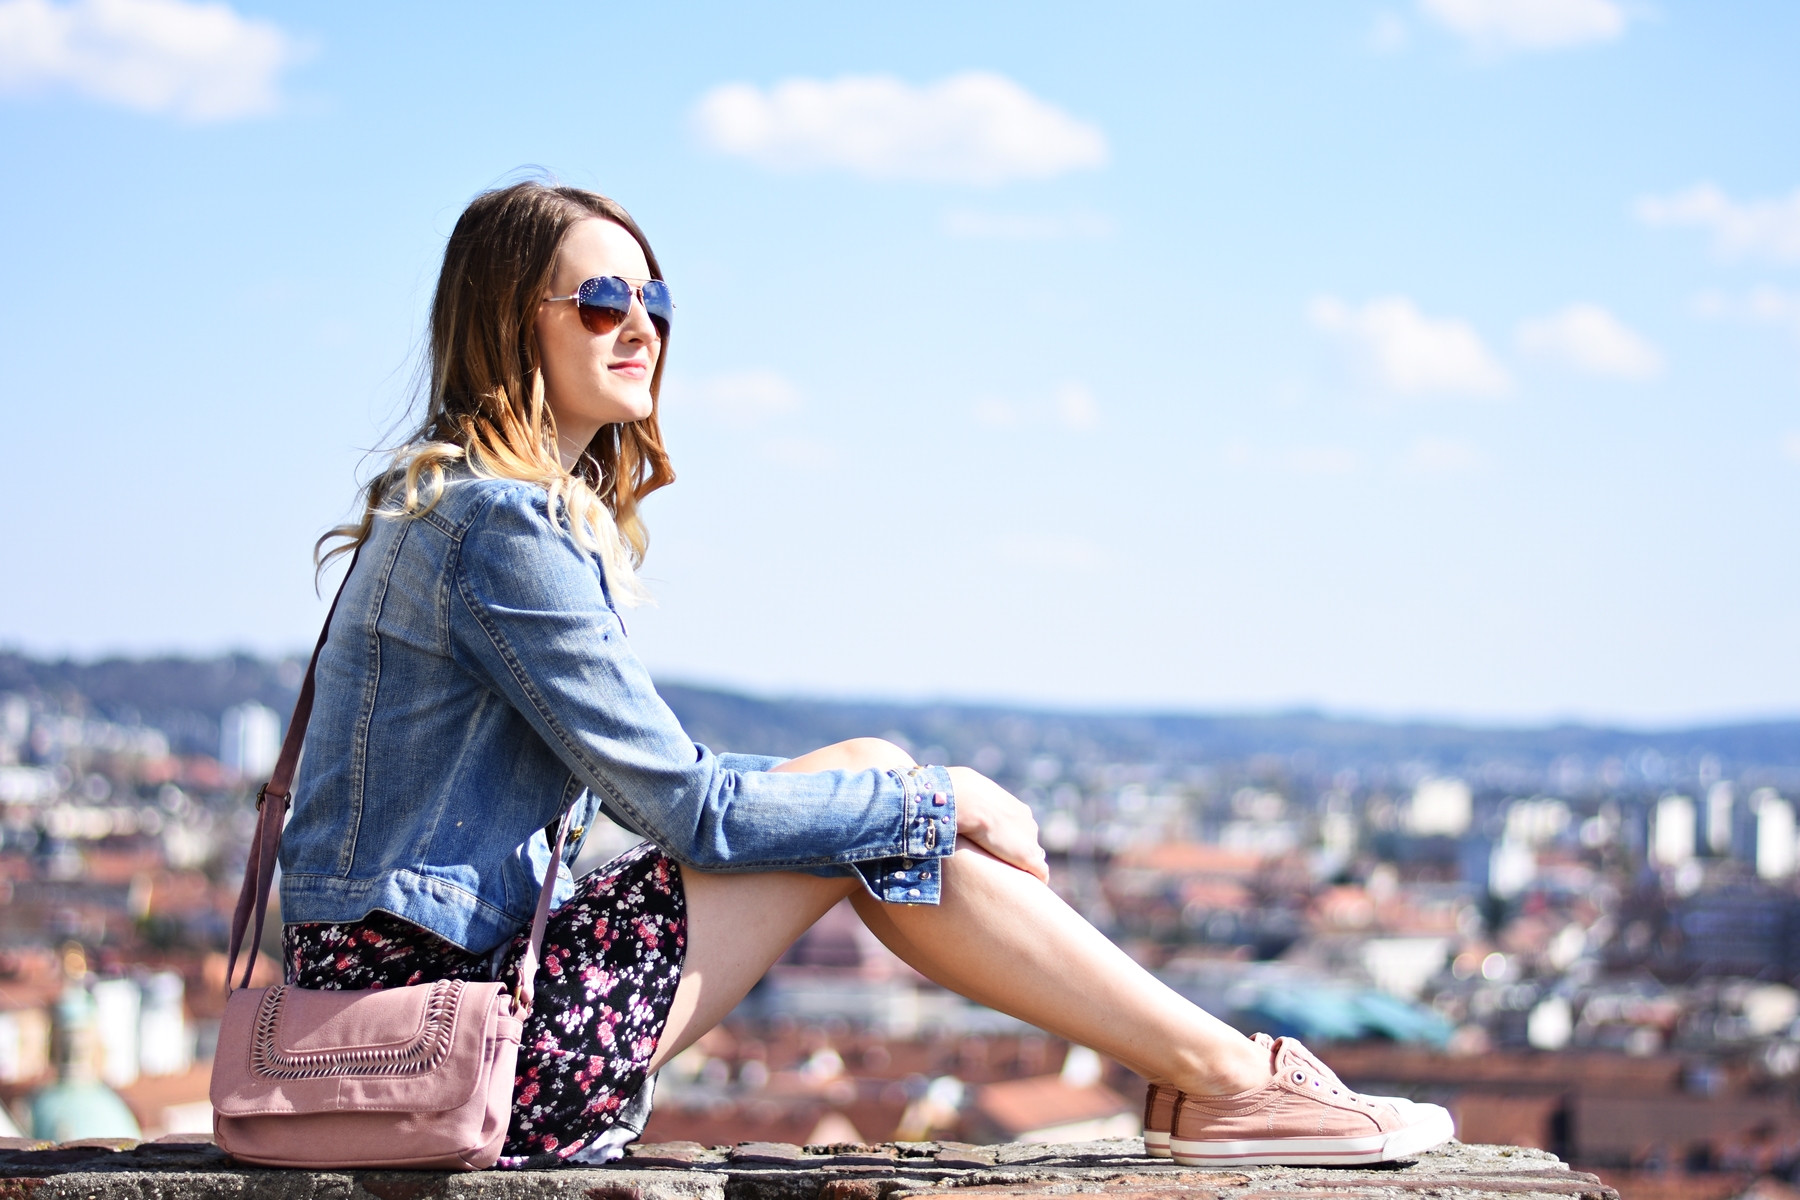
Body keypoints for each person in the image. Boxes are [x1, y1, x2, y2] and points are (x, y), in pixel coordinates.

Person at [278, 180, 1453, 1169]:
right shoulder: (501, 526)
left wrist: (902, 788)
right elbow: (685, 806)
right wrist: (942, 797)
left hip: (399, 1020)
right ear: (506, 321)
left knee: (869, 780)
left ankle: (1221, 1082)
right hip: (460, 1049)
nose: (641, 326)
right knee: (883, 809)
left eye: (655, 300)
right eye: (599, 301)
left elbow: (667, 793)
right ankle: (1225, 1080)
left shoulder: (430, 505)